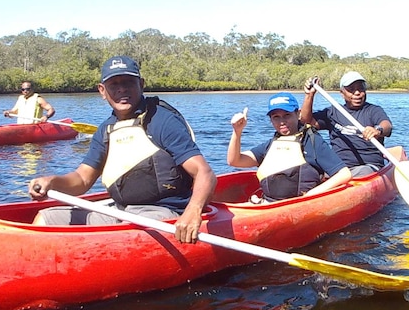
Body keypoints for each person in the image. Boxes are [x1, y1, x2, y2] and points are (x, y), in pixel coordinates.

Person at [28, 55, 217, 244]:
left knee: (123, 231)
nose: (122, 90)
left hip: (162, 214)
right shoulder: (105, 130)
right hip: (120, 210)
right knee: (46, 218)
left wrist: (193, 212)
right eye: (114, 84)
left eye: (128, 82)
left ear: (141, 84)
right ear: (102, 90)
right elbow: (82, 179)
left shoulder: (163, 121)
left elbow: (204, 173)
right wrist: (52, 181)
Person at [228, 92, 352, 203]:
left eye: (287, 115)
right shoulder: (270, 144)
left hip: (299, 206)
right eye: (276, 117)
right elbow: (234, 161)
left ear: (297, 114)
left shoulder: (312, 141)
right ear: (271, 119)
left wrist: (309, 196)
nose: (282, 121)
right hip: (268, 205)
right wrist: (237, 132)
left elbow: (344, 174)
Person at [300, 71, 397, 177]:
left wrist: (378, 130)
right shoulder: (333, 112)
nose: (357, 93)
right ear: (342, 93)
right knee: (309, 172)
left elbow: (387, 126)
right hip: (339, 168)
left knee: (364, 171)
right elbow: (306, 122)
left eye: (360, 89)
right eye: (351, 90)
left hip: (368, 167)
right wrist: (309, 95)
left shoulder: (373, 111)